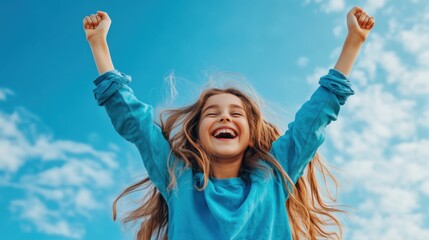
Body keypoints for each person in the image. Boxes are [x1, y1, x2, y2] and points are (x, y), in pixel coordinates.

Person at [83, 6, 374, 240]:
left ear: (251, 133)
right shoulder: (177, 177)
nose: (224, 116)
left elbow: (314, 119)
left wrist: (353, 41)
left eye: (236, 114)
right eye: (213, 113)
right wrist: (99, 45)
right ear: (196, 133)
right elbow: (135, 121)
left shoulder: (273, 176)